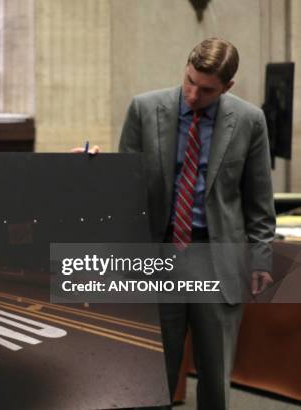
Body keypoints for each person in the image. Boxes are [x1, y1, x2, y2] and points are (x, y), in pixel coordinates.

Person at [118, 38, 275, 409]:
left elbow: (259, 202)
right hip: (160, 256)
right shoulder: (144, 109)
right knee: (152, 373)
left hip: (218, 259)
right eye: (190, 81)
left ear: (227, 87)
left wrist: (262, 259)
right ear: (185, 68)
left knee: (216, 379)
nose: (192, 94)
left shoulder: (250, 120)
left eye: (206, 90)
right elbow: (123, 188)